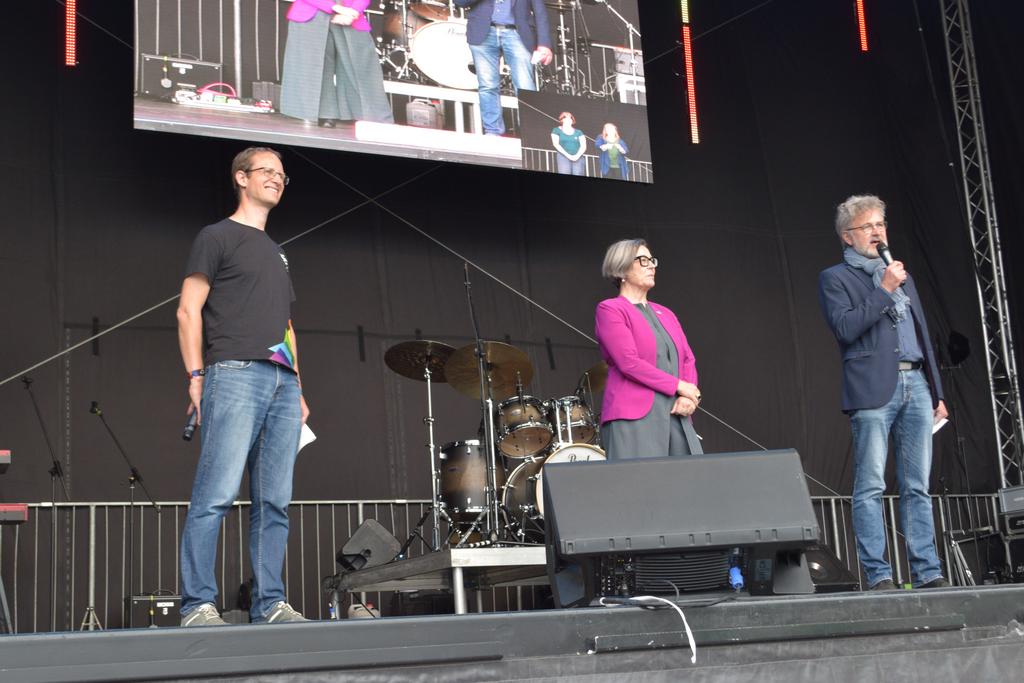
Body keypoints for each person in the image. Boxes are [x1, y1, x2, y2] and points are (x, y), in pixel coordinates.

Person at [176, 147, 311, 626]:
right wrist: (196, 375)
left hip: (281, 381)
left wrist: (298, 386)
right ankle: (197, 605)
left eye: (282, 174)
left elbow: (286, 324)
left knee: (274, 501)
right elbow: (188, 309)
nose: (276, 178)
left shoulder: (277, 252)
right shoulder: (216, 236)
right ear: (240, 177)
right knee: (216, 494)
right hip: (233, 373)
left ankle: (269, 603)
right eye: (266, 171)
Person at [818, 194, 949, 591]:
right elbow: (846, 328)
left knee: (917, 486)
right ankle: (879, 575)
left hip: (917, 384)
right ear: (847, 236)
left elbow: (922, 335)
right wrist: (885, 289)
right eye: (867, 226)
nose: (877, 232)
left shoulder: (900, 274)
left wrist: (937, 391)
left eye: (880, 224)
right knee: (871, 485)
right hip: (873, 389)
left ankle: (928, 571)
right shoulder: (836, 278)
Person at [595, 239, 703, 459]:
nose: (651, 265)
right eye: (643, 260)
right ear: (621, 268)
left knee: (692, 478)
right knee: (640, 480)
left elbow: (687, 359)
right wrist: (679, 386)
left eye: (652, 260)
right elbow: (629, 362)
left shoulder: (666, 313)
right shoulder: (610, 309)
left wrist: (690, 397)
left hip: (677, 413)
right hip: (633, 417)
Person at [280, 0, 393, 127]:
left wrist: (354, 12)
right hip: (313, 12)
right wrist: (336, 8)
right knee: (316, 66)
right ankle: (325, 113)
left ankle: (371, 115)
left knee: (362, 66)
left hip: (349, 13)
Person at [454, 0, 553, 136]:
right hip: (483, 31)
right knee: (487, 86)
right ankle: (492, 131)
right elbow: (460, 2)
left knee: (525, 86)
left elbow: (540, 10)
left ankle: (531, 133)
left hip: (517, 33)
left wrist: (544, 43)